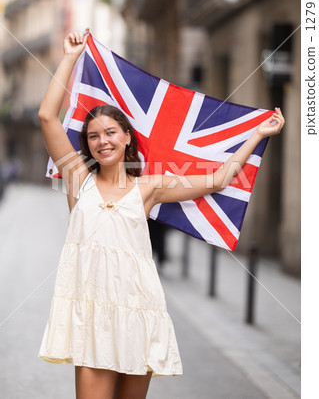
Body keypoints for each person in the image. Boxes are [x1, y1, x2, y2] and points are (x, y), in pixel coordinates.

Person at [37, 29, 285, 399]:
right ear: (86, 145)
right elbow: (46, 116)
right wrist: (71, 57)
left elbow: (218, 180)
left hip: (140, 308)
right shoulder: (77, 179)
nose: (102, 141)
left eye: (110, 133)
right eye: (93, 136)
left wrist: (256, 135)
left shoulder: (151, 186)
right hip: (90, 313)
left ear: (126, 138)